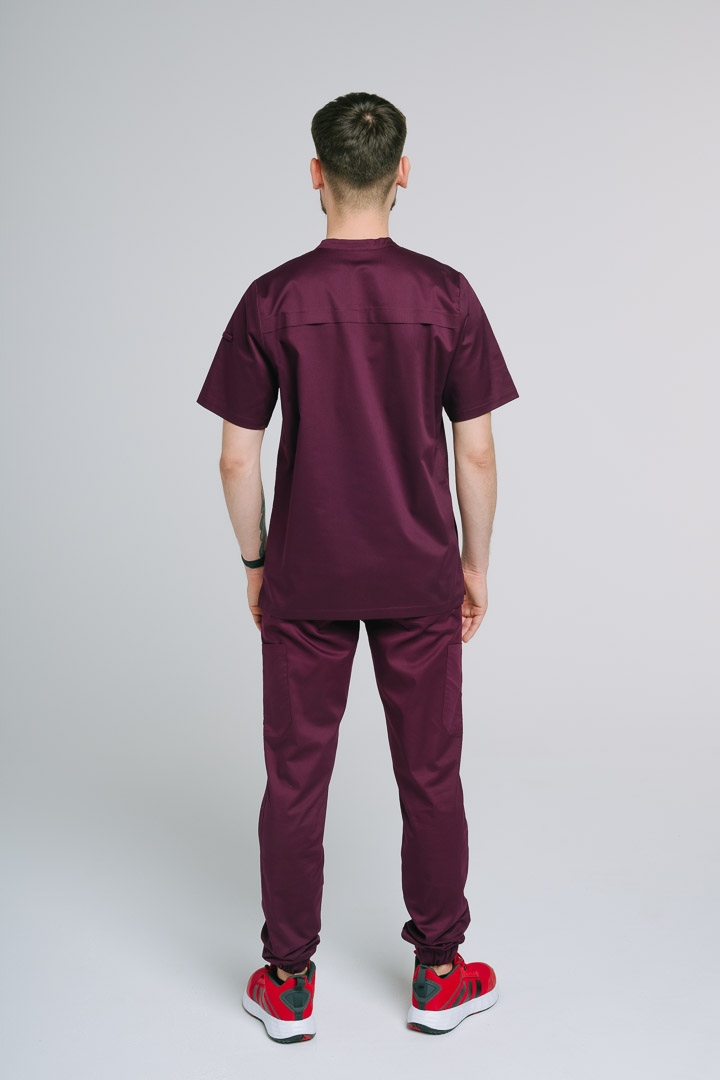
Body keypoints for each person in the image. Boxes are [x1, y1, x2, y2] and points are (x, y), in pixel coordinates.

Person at [196, 91, 520, 1043]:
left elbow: (237, 459)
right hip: (420, 573)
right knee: (432, 773)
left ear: (316, 174)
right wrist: (475, 565)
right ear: (403, 172)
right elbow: (477, 453)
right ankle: (440, 973)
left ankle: (288, 981)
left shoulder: (273, 297)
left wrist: (257, 561)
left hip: (307, 574)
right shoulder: (447, 294)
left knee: (295, 778)